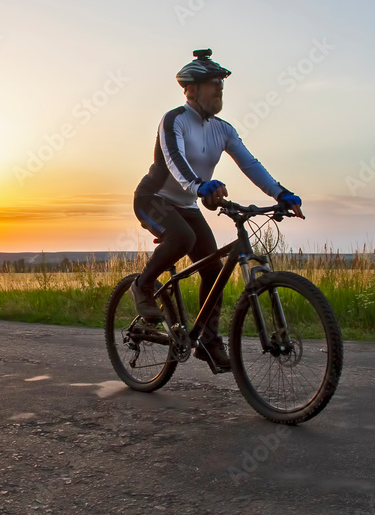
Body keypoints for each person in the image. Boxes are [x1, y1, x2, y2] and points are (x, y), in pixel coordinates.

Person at [130, 48, 303, 372]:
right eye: (213, 83)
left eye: (222, 84)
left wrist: (281, 193)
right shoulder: (174, 120)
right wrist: (199, 186)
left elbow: (250, 164)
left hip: (186, 203)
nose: (220, 88)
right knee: (181, 237)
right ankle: (142, 285)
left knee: (213, 269)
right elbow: (174, 160)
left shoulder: (223, 129)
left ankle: (208, 342)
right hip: (153, 198)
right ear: (191, 89)